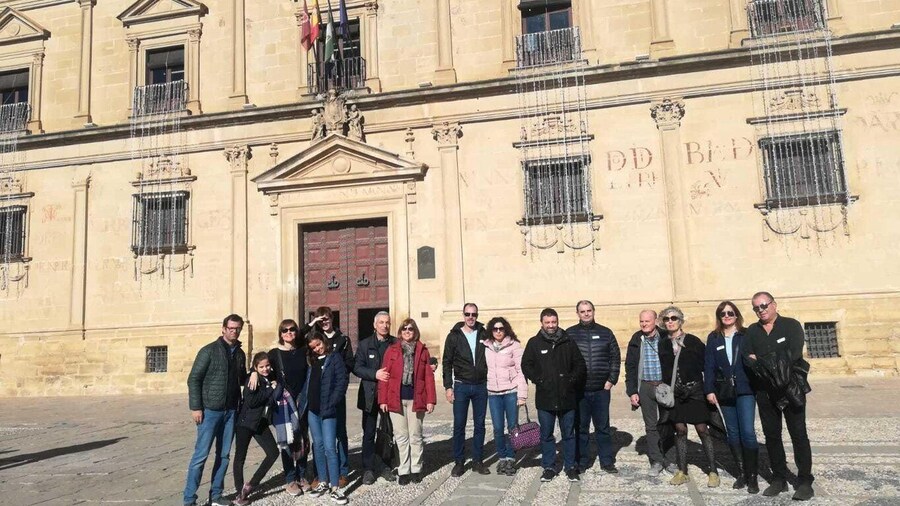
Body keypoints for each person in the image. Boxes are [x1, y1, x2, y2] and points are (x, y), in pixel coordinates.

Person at [742, 292, 814, 500]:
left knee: (799, 435)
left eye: (764, 305)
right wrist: (771, 361)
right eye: (756, 307)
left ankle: (805, 481)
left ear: (773, 305)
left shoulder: (791, 325)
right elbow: (747, 359)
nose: (761, 310)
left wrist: (761, 361)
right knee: (772, 436)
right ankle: (779, 478)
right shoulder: (752, 332)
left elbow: (793, 355)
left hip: (791, 389)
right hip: (765, 391)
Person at [183, 314, 247, 506]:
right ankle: (189, 500)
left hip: (230, 411)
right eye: (230, 328)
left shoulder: (240, 354)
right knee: (200, 456)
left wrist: (256, 375)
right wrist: (196, 407)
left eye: (237, 328)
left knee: (224, 455)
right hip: (210, 411)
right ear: (223, 328)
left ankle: (216, 495)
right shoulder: (209, 351)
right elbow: (194, 379)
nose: (234, 331)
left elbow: (242, 378)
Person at [521, 308, 586, 483]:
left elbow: (579, 364)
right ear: (542, 323)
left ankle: (570, 466)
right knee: (547, 434)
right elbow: (526, 365)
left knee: (569, 434)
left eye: (554, 322)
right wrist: (539, 380)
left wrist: (571, 380)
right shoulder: (534, 343)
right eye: (547, 322)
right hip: (546, 397)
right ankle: (549, 467)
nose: (551, 326)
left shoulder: (568, 341)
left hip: (567, 396)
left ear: (557, 322)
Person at [657, 306, 719, 488]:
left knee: (702, 429)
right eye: (666, 319)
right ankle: (682, 471)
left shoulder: (692, 341)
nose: (670, 321)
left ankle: (713, 470)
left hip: (694, 392)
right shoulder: (663, 344)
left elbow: (706, 365)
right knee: (680, 430)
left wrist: (708, 388)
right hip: (676, 394)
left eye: (674, 318)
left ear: (680, 321)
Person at [704, 301, 760, 494]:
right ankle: (742, 473)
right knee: (733, 433)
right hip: (724, 390)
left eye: (730, 313)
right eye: (722, 313)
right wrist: (709, 390)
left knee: (748, 432)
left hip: (745, 389)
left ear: (736, 315)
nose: (726, 316)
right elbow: (709, 365)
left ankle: (753, 476)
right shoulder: (714, 338)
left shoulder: (746, 334)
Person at [377, 318, 437, 485]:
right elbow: (384, 376)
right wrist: (382, 399)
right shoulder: (392, 350)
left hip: (416, 399)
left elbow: (428, 377)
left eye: (410, 328)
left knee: (416, 436)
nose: (407, 331)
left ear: (415, 330)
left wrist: (431, 400)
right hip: (396, 398)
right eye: (404, 329)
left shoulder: (422, 350)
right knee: (401, 437)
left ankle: (416, 468)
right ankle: (404, 470)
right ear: (400, 332)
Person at [567, 300, 621, 474]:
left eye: (589, 310)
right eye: (582, 311)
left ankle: (607, 461)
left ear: (594, 311)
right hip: (580, 391)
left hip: (600, 390)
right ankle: (582, 461)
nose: (586, 314)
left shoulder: (606, 333)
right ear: (577, 313)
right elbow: (564, 360)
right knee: (581, 428)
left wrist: (611, 380)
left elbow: (615, 357)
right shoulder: (570, 334)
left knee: (603, 428)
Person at [304, 307, 353, 486]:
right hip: (318, 399)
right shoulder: (312, 342)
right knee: (320, 442)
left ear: (332, 318)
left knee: (340, 433)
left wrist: (336, 386)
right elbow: (298, 341)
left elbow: (348, 364)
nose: (324, 322)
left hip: (334, 394)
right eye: (320, 319)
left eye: (326, 319)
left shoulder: (343, 340)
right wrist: (310, 325)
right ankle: (320, 474)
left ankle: (342, 472)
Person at [301, 332, 350, 504]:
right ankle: (323, 481)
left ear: (323, 341)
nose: (317, 348)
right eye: (313, 347)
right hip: (313, 411)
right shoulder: (312, 361)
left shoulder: (334, 357)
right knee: (318, 446)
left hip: (328, 410)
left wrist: (332, 403)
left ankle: (335, 487)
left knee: (330, 447)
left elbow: (342, 382)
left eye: (318, 344)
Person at [442, 303, 490, 477]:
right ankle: (459, 462)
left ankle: (478, 460)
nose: (471, 317)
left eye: (474, 314)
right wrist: (448, 386)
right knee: (459, 425)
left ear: (477, 315)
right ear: (463, 315)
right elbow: (446, 362)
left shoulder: (484, 333)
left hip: (480, 386)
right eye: (468, 314)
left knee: (480, 425)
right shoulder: (454, 336)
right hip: (461, 385)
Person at [624, 309, 671, 475]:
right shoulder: (637, 338)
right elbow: (630, 366)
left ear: (655, 321)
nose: (644, 324)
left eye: (647, 321)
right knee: (651, 426)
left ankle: (670, 459)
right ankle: (656, 460)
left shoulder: (666, 337)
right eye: (641, 321)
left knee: (668, 423)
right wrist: (632, 391)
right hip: (645, 386)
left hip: (664, 386)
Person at [232, 352, 281, 506]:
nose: (265, 369)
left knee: (273, 453)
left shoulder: (269, 377)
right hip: (245, 423)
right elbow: (252, 401)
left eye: (267, 366)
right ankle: (239, 493)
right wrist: (269, 390)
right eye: (261, 367)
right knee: (240, 457)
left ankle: (251, 484)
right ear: (255, 367)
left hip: (260, 423)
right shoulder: (252, 380)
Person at [353, 311, 397, 485]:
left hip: (390, 395)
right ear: (374, 325)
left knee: (388, 431)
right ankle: (368, 469)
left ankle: (386, 465)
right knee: (369, 433)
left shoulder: (396, 343)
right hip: (370, 395)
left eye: (387, 322)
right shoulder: (364, 345)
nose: (384, 325)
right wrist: (374, 373)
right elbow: (357, 368)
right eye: (381, 322)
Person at [268, 319, 309, 495]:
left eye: (292, 329)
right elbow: (264, 370)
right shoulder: (274, 354)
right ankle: (290, 479)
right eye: (285, 330)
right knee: (287, 440)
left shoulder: (303, 350)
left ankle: (302, 475)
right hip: (285, 404)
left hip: (302, 401)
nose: (289, 333)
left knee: (303, 440)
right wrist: (254, 374)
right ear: (280, 333)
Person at [482, 316, 527, 476]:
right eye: (495, 329)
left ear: (506, 329)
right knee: (498, 428)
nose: (498, 331)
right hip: (493, 392)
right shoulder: (485, 345)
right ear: (491, 330)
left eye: (501, 328)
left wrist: (522, 394)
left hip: (511, 391)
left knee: (513, 427)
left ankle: (511, 458)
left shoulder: (514, 345)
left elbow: (521, 370)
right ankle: (502, 457)